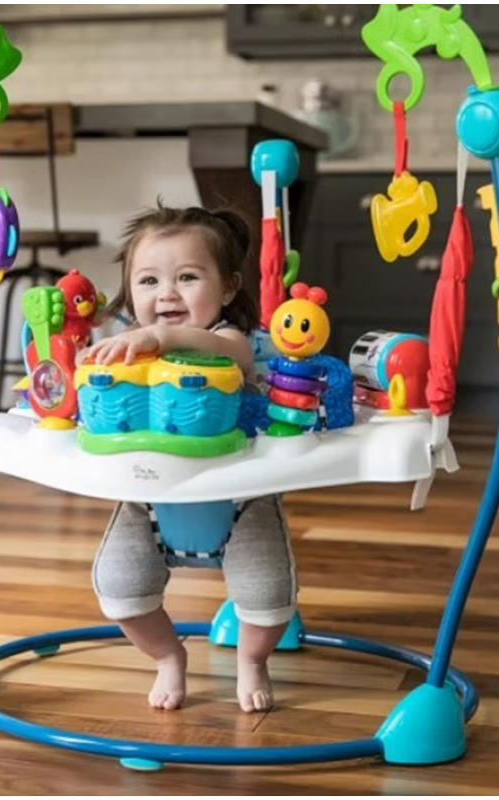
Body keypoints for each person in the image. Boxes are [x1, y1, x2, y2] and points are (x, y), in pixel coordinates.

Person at [84, 203, 298, 713]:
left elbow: (231, 355)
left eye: (187, 277)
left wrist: (162, 338)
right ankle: (167, 656)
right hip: (147, 500)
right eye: (149, 281)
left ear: (227, 289)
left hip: (240, 500)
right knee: (120, 589)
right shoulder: (127, 346)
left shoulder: (228, 339)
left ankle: (252, 660)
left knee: (268, 598)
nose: (167, 294)